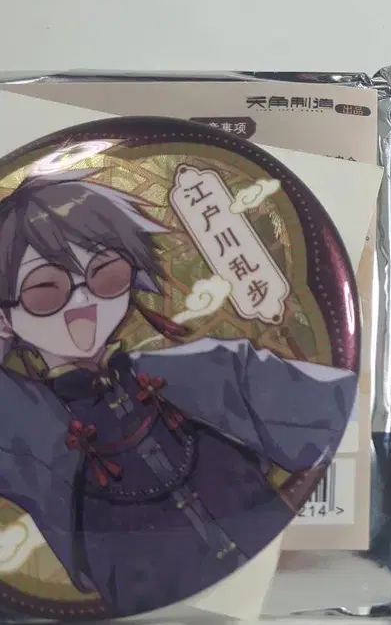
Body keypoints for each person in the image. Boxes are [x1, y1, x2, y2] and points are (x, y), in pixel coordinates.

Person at [0, 170, 355, 617]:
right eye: (45, 290)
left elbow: (345, 415)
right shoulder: (24, 428)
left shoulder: (210, 370)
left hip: (292, 595)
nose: (83, 301)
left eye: (105, 274)